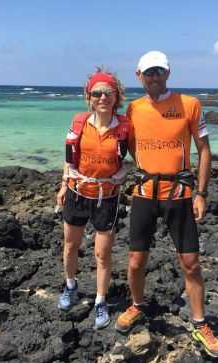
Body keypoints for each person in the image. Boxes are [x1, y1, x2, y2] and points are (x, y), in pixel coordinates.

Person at [115, 51, 218, 358]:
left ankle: (200, 323)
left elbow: (204, 150)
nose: (154, 77)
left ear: (168, 73)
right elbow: (123, 150)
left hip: (180, 195)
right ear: (139, 75)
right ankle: (137, 305)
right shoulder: (132, 110)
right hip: (144, 195)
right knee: (136, 261)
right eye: (148, 72)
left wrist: (201, 193)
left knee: (190, 263)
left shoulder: (190, 104)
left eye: (159, 72)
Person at [56, 68, 129, 330]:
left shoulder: (124, 127)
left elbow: (137, 157)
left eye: (108, 92)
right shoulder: (78, 123)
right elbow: (68, 159)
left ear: (116, 96)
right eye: (96, 93)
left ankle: (100, 301)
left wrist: (124, 173)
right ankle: (71, 286)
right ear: (89, 97)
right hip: (77, 193)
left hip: (107, 198)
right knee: (69, 245)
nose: (102, 97)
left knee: (102, 254)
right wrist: (64, 185)